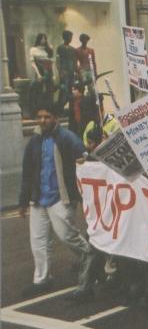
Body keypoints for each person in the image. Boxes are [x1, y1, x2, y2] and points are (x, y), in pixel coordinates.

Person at [18, 102, 98, 301]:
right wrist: (23, 200)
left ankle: (90, 256)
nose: (43, 120)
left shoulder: (68, 138)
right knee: (38, 241)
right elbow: (27, 172)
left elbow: (86, 163)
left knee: (67, 236)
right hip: (39, 199)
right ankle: (42, 279)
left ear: (55, 118)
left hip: (61, 198)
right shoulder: (34, 141)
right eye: (40, 116)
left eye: (47, 116)